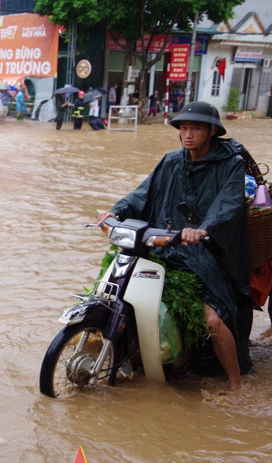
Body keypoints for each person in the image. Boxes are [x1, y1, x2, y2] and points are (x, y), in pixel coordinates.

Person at [96, 101, 252, 390]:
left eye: (196, 128)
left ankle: (236, 385)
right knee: (115, 291)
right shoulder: (170, 162)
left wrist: (203, 230)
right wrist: (114, 212)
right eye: (184, 128)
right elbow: (142, 194)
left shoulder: (231, 165)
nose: (188, 134)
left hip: (206, 254)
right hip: (163, 244)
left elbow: (227, 206)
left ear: (212, 131)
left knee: (212, 320)